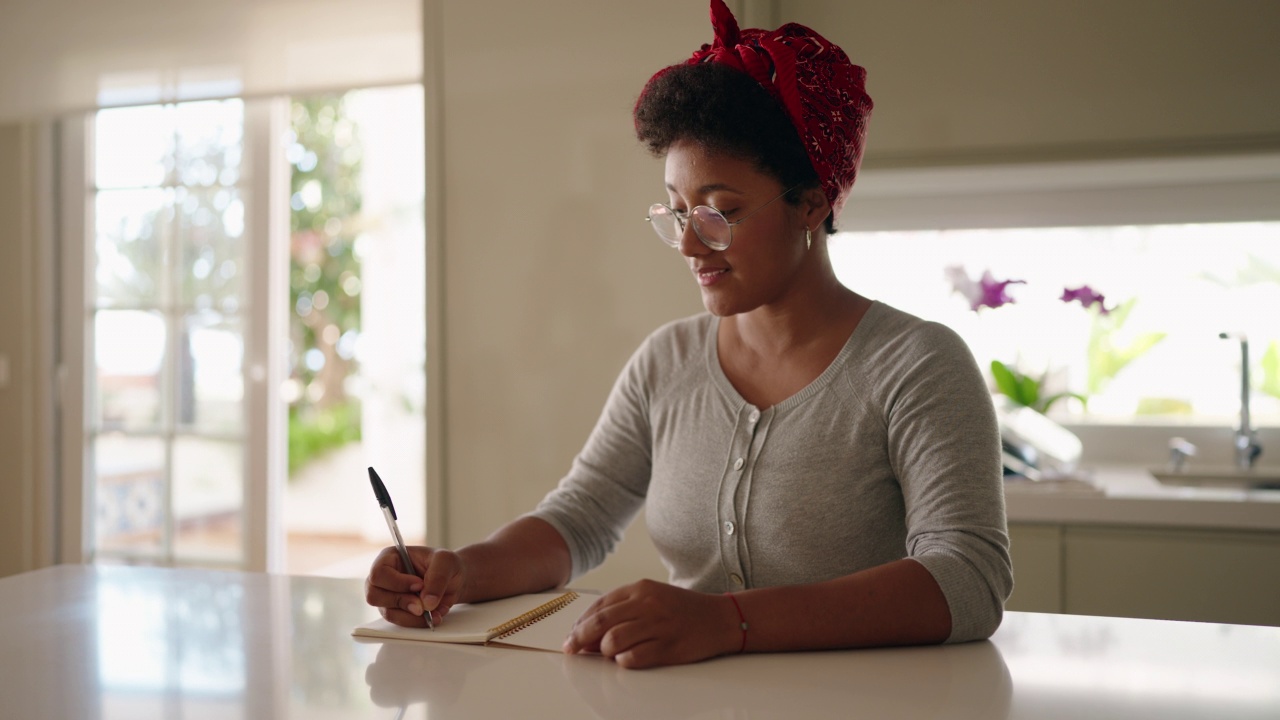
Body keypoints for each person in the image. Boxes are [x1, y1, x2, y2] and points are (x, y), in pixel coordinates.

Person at [365, 0, 1012, 670]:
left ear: (812, 203)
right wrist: (459, 572)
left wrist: (727, 622)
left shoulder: (918, 365)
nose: (687, 243)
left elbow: (968, 578)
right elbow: (577, 519)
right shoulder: (666, 362)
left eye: (720, 212)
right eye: (675, 212)